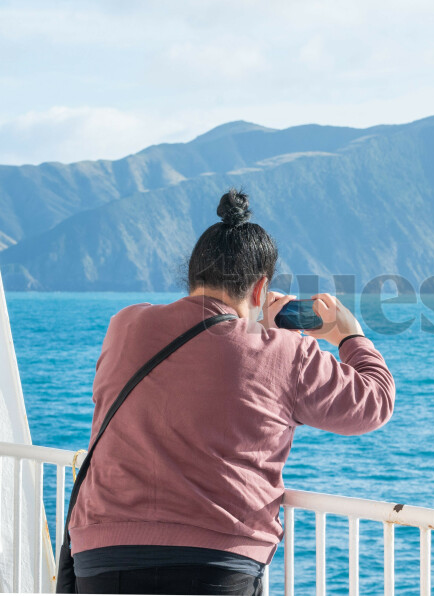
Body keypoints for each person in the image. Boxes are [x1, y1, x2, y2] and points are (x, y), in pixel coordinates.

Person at [69, 189, 395, 595]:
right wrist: (350, 336)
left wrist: (263, 336)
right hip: (214, 563)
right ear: (261, 289)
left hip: (102, 557)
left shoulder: (125, 326)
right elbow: (374, 402)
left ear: (192, 278)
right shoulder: (284, 352)